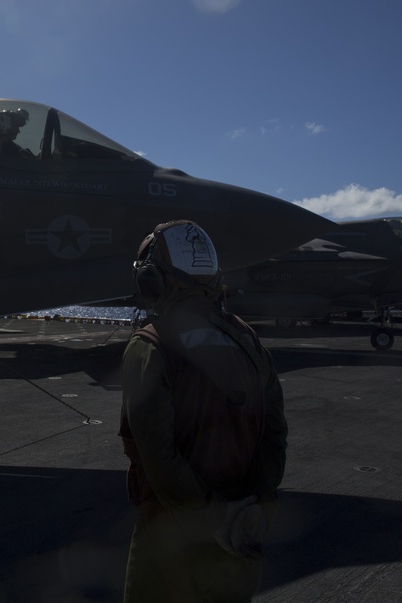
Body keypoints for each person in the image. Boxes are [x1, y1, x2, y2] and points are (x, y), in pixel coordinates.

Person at [119, 220, 288, 602]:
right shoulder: (248, 340)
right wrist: (252, 512)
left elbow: (159, 457)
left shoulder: (149, 346)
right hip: (240, 546)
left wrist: (212, 519)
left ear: (153, 282)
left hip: (170, 546)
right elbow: (274, 435)